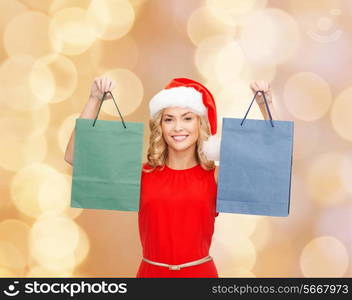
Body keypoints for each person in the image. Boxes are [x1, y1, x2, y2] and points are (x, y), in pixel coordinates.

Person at [64, 76, 277, 277]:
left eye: (187, 118)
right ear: (161, 126)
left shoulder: (215, 176)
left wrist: (266, 105)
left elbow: (276, 162)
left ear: (200, 123)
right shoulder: (142, 174)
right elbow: (75, 156)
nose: (178, 127)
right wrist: (94, 99)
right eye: (169, 119)